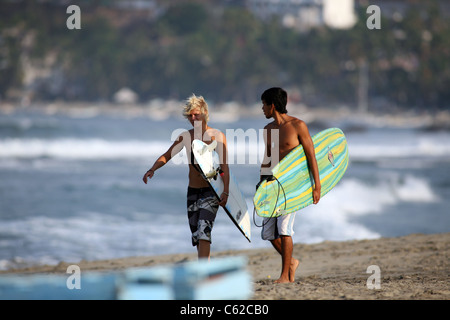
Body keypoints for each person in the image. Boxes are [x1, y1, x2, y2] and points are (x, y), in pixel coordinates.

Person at [142, 94, 230, 260]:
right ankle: (204, 268)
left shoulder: (217, 136)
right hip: (193, 192)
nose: (193, 118)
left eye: (196, 114)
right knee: (197, 235)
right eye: (190, 115)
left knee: (204, 231)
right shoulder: (186, 137)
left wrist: (225, 191)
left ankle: (203, 274)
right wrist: (152, 169)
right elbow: (167, 155)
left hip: (211, 191)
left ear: (205, 112)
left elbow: (224, 166)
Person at [258, 87, 321, 283]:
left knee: (284, 228)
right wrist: (261, 184)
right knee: (267, 233)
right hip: (272, 184)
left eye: (264, 104)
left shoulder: (298, 126)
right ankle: (291, 262)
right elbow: (268, 158)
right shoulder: (268, 130)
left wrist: (316, 185)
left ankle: (285, 275)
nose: (262, 108)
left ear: (273, 106)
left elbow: (311, 155)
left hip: (292, 185)